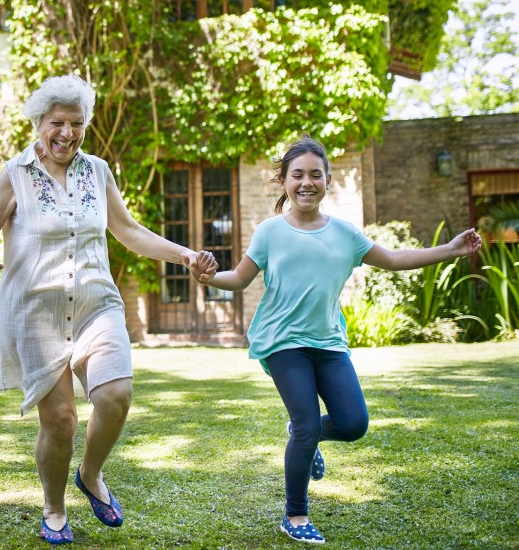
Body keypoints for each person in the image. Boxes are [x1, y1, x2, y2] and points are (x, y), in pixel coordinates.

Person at [186, 136, 482, 545]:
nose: (306, 182)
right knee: (308, 425)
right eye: (297, 175)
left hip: (328, 343)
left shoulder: (345, 234)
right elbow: (237, 279)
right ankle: (295, 514)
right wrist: (206, 277)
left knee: (353, 423)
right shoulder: (270, 232)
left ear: (327, 180)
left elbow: (393, 260)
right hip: (282, 341)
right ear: (284, 181)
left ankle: (303, 435)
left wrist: (448, 250)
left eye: (315, 174)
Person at [0, 75, 216, 545]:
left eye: (76, 123)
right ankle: (54, 507)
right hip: (37, 311)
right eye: (56, 123)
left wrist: (183, 254)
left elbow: (128, 230)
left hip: (95, 303)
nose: (67, 133)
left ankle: (91, 473)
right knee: (60, 420)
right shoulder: (15, 173)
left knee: (115, 394)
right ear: (38, 123)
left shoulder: (97, 171)